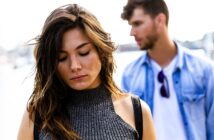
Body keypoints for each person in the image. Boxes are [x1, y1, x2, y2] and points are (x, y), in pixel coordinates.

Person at [17, 4, 156, 140]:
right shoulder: (37, 115)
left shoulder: (136, 112)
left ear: (101, 51)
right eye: (62, 58)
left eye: (83, 53)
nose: (74, 66)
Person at [120, 0, 214, 140]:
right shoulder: (129, 75)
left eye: (137, 23)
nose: (132, 32)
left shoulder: (204, 70)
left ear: (160, 20)